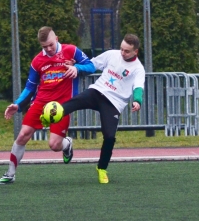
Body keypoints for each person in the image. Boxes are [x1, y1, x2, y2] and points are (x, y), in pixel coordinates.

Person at [0, 26, 96, 185]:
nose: (48, 49)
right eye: (44, 47)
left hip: (62, 105)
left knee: (54, 145)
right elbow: (30, 86)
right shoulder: (37, 61)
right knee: (23, 135)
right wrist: (18, 104)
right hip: (41, 101)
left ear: (56, 39)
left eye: (50, 44)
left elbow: (91, 66)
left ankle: (67, 143)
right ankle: (10, 174)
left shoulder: (71, 51)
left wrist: (77, 68)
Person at [41, 33, 145, 184]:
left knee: (109, 137)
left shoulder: (138, 69)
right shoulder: (112, 55)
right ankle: (47, 117)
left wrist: (137, 101)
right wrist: (77, 66)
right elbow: (92, 64)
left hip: (113, 103)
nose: (122, 53)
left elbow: (138, 87)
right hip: (97, 92)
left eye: (127, 51)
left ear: (136, 51)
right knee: (73, 103)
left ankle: (102, 168)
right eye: (122, 49)